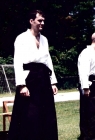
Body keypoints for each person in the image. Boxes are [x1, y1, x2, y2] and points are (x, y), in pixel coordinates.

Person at [9, 10, 58, 140]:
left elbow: (48, 61)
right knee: (30, 114)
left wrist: (53, 81)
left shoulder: (44, 39)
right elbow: (17, 61)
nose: (42, 23)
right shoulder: (21, 38)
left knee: (47, 113)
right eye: (40, 20)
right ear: (31, 21)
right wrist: (21, 85)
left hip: (44, 78)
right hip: (29, 78)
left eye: (43, 21)